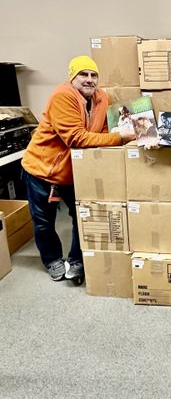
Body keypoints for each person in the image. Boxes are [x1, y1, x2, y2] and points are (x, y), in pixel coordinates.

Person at [21, 55, 136, 283]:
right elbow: (76, 138)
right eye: (83, 74)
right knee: (44, 221)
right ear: (72, 77)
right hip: (42, 170)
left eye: (94, 75)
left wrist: (124, 135)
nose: (89, 80)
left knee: (81, 216)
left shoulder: (101, 97)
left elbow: (102, 131)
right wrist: (120, 137)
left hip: (74, 172)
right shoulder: (62, 96)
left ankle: (77, 261)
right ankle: (53, 260)